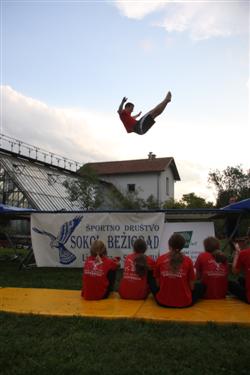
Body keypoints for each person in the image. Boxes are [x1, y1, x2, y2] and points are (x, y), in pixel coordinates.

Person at [149, 233, 205, 308]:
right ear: (182, 246)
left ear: (169, 245)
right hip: (184, 303)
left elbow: (158, 284)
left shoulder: (161, 259)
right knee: (202, 287)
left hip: (163, 302)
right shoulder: (188, 261)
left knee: (151, 280)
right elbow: (192, 287)